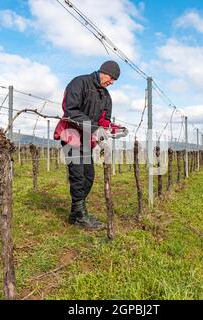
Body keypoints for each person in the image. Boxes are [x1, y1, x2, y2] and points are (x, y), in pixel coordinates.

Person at [54, 61, 128, 230]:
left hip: (87, 140)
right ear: (103, 72)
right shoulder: (79, 83)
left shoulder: (106, 96)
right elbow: (70, 111)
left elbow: (104, 121)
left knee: (88, 176)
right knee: (78, 176)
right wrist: (95, 128)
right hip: (72, 136)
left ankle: (75, 214)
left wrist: (115, 130)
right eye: (111, 78)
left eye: (115, 80)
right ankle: (80, 215)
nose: (112, 82)